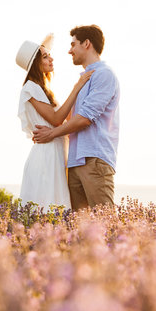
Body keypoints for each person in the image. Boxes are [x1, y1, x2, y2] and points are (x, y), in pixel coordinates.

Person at [33, 25, 120, 210]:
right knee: (80, 229)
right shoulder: (85, 79)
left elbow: (84, 119)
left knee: (105, 225)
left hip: (94, 160)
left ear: (87, 44)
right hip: (75, 161)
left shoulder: (104, 75)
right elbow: (71, 119)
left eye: (73, 44)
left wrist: (52, 134)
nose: (69, 50)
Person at [16, 34, 94, 209]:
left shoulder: (44, 90)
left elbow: (67, 119)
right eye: (45, 56)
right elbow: (57, 119)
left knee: (56, 209)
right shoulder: (31, 88)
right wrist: (77, 86)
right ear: (35, 64)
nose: (51, 58)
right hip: (46, 156)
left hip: (56, 154)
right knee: (47, 209)